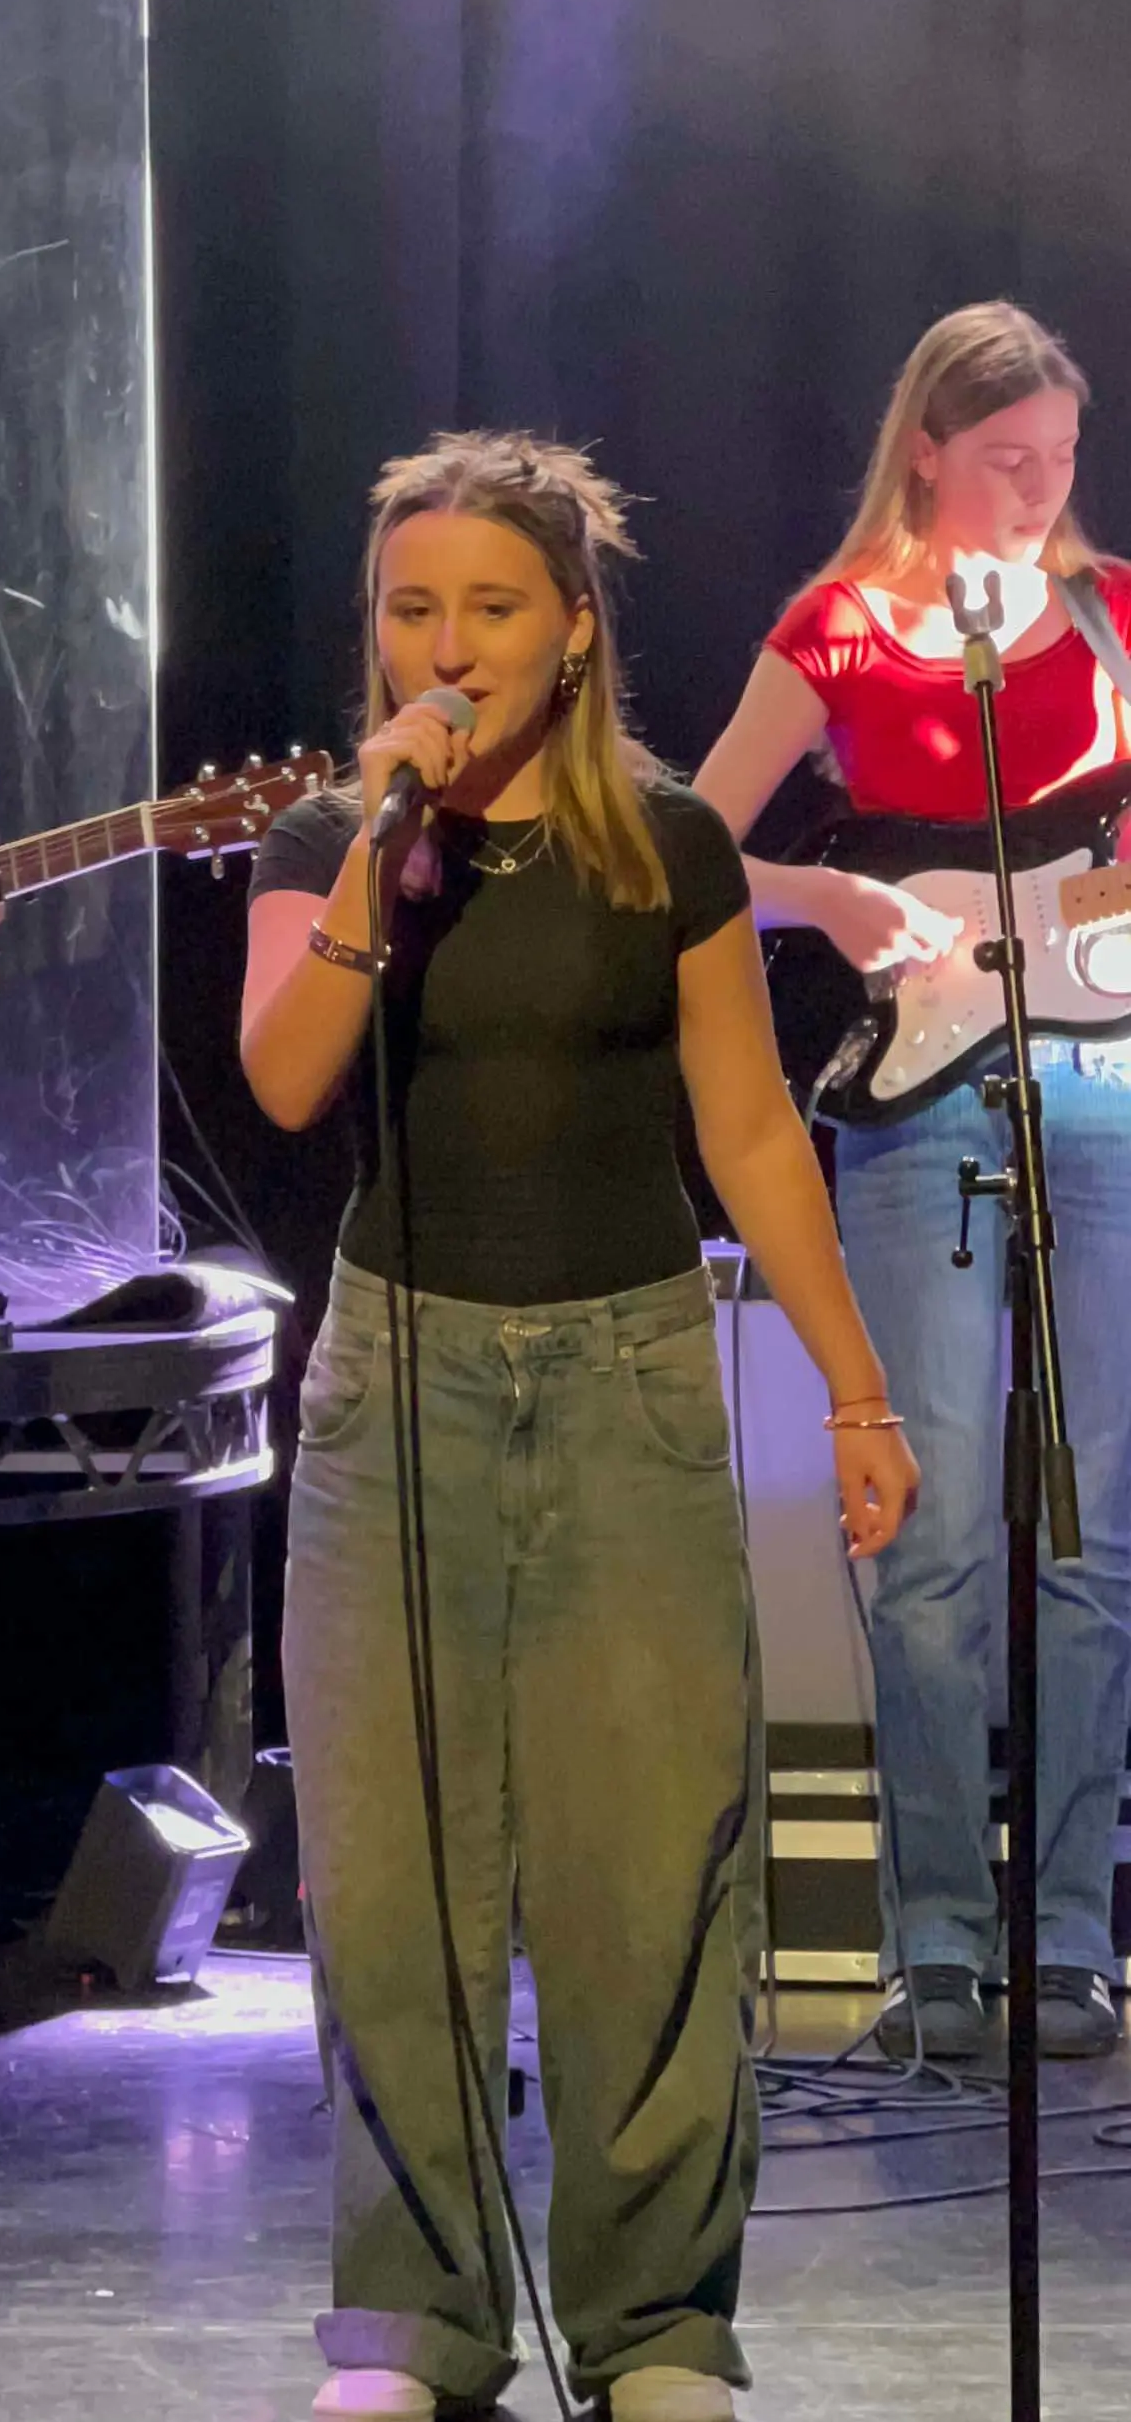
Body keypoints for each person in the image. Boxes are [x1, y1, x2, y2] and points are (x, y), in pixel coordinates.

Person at [241, 430, 917, 2422]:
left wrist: (856, 1386)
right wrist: (374, 841)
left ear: (572, 631)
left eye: (491, 609)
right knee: (391, 1888)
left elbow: (745, 1129)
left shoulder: (668, 841)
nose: (446, 644)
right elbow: (287, 1080)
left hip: (625, 1372)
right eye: (412, 608)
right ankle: (413, 2322)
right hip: (399, 1390)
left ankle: (657, 2328)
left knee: (645, 1879)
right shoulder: (324, 840)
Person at [695, 302, 1131, 2063]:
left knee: (1095, 1526)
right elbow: (689, 839)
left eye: (1063, 462)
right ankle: (938, 1938)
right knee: (933, 1528)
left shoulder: (1110, 619)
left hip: (1100, 1073)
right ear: (930, 448)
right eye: (1008, 460)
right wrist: (836, 900)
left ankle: (1078, 1937)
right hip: (911, 1085)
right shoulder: (840, 624)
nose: (1039, 492)